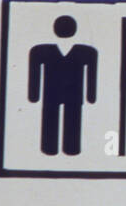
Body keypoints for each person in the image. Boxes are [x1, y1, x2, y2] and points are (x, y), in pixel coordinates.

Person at [28, 15, 97, 156]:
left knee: (73, 120)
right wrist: (33, 95)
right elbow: (34, 72)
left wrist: (91, 96)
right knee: (49, 119)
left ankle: (71, 148)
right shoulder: (41, 51)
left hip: (74, 95)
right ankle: (49, 148)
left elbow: (91, 74)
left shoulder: (86, 52)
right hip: (51, 94)